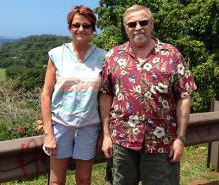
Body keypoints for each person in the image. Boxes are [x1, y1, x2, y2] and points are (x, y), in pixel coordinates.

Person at [100, 4, 197, 185]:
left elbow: (184, 95)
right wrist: (106, 136)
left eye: (143, 22)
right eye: (132, 24)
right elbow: (106, 95)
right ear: (125, 28)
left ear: (152, 24)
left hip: (161, 141)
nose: (138, 27)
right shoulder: (113, 56)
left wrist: (180, 138)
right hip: (122, 140)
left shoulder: (172, 55)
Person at [41, 5, 106, 185]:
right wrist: (49, 134)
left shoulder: (103, 57)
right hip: (61, 125)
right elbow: (46, 94)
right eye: (76, 25)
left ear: (93, 29)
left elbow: (106, 97)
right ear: (69, 28)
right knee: (56, 181)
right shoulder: (56, 54)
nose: (81, 29)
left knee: (84, 179)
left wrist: (105, 133)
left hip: (89, 125)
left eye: (86, 26)